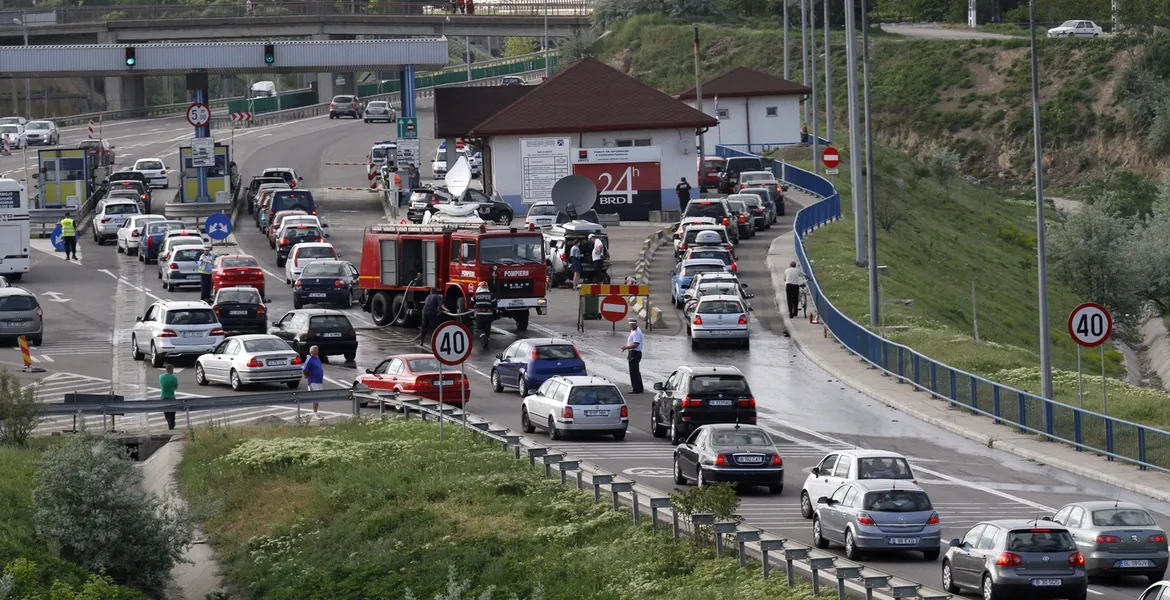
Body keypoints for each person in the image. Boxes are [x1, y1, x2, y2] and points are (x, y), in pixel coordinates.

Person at [620, 319, 644, 394]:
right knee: (636, 371)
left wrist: (626, 347)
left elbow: (636, 344)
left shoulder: (636, 332)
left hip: (635, 353)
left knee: (633, 372)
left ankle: (636, 389)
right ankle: (639, 388)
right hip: (634, 352)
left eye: (633, 324)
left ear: (636, 324)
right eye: (630, 324)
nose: (631, 326)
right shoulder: (634, 331)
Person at [302, 345, 324, 419]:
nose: (316, 352)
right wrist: (307, 376)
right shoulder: (309, 359)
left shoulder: (317, 358)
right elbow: (305, 370)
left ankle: (316, 412)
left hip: (319, 381)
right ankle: (314, 413)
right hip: (313, 381)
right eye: (315, 351)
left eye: (317, 351)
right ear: (311, 352)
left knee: (318, 397)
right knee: (315, 397)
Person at [472, 281, 495, 348]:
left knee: (480, 328)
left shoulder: (476, 295)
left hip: (479, 315)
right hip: (489, 315)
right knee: (487, 328)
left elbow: (471, 302)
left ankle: (483, 336)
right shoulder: (490, 295)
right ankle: (486, 341)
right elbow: (494, 304)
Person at [159, 363, 179, 430]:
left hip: (163, 397)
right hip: (171, 397)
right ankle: (171, 424)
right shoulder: (174, 378)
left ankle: (170, 424)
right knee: (172, 412)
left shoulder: (161, 377)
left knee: (166, 412)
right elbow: (176, 387)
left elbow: (161, 384)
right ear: (171, 370)